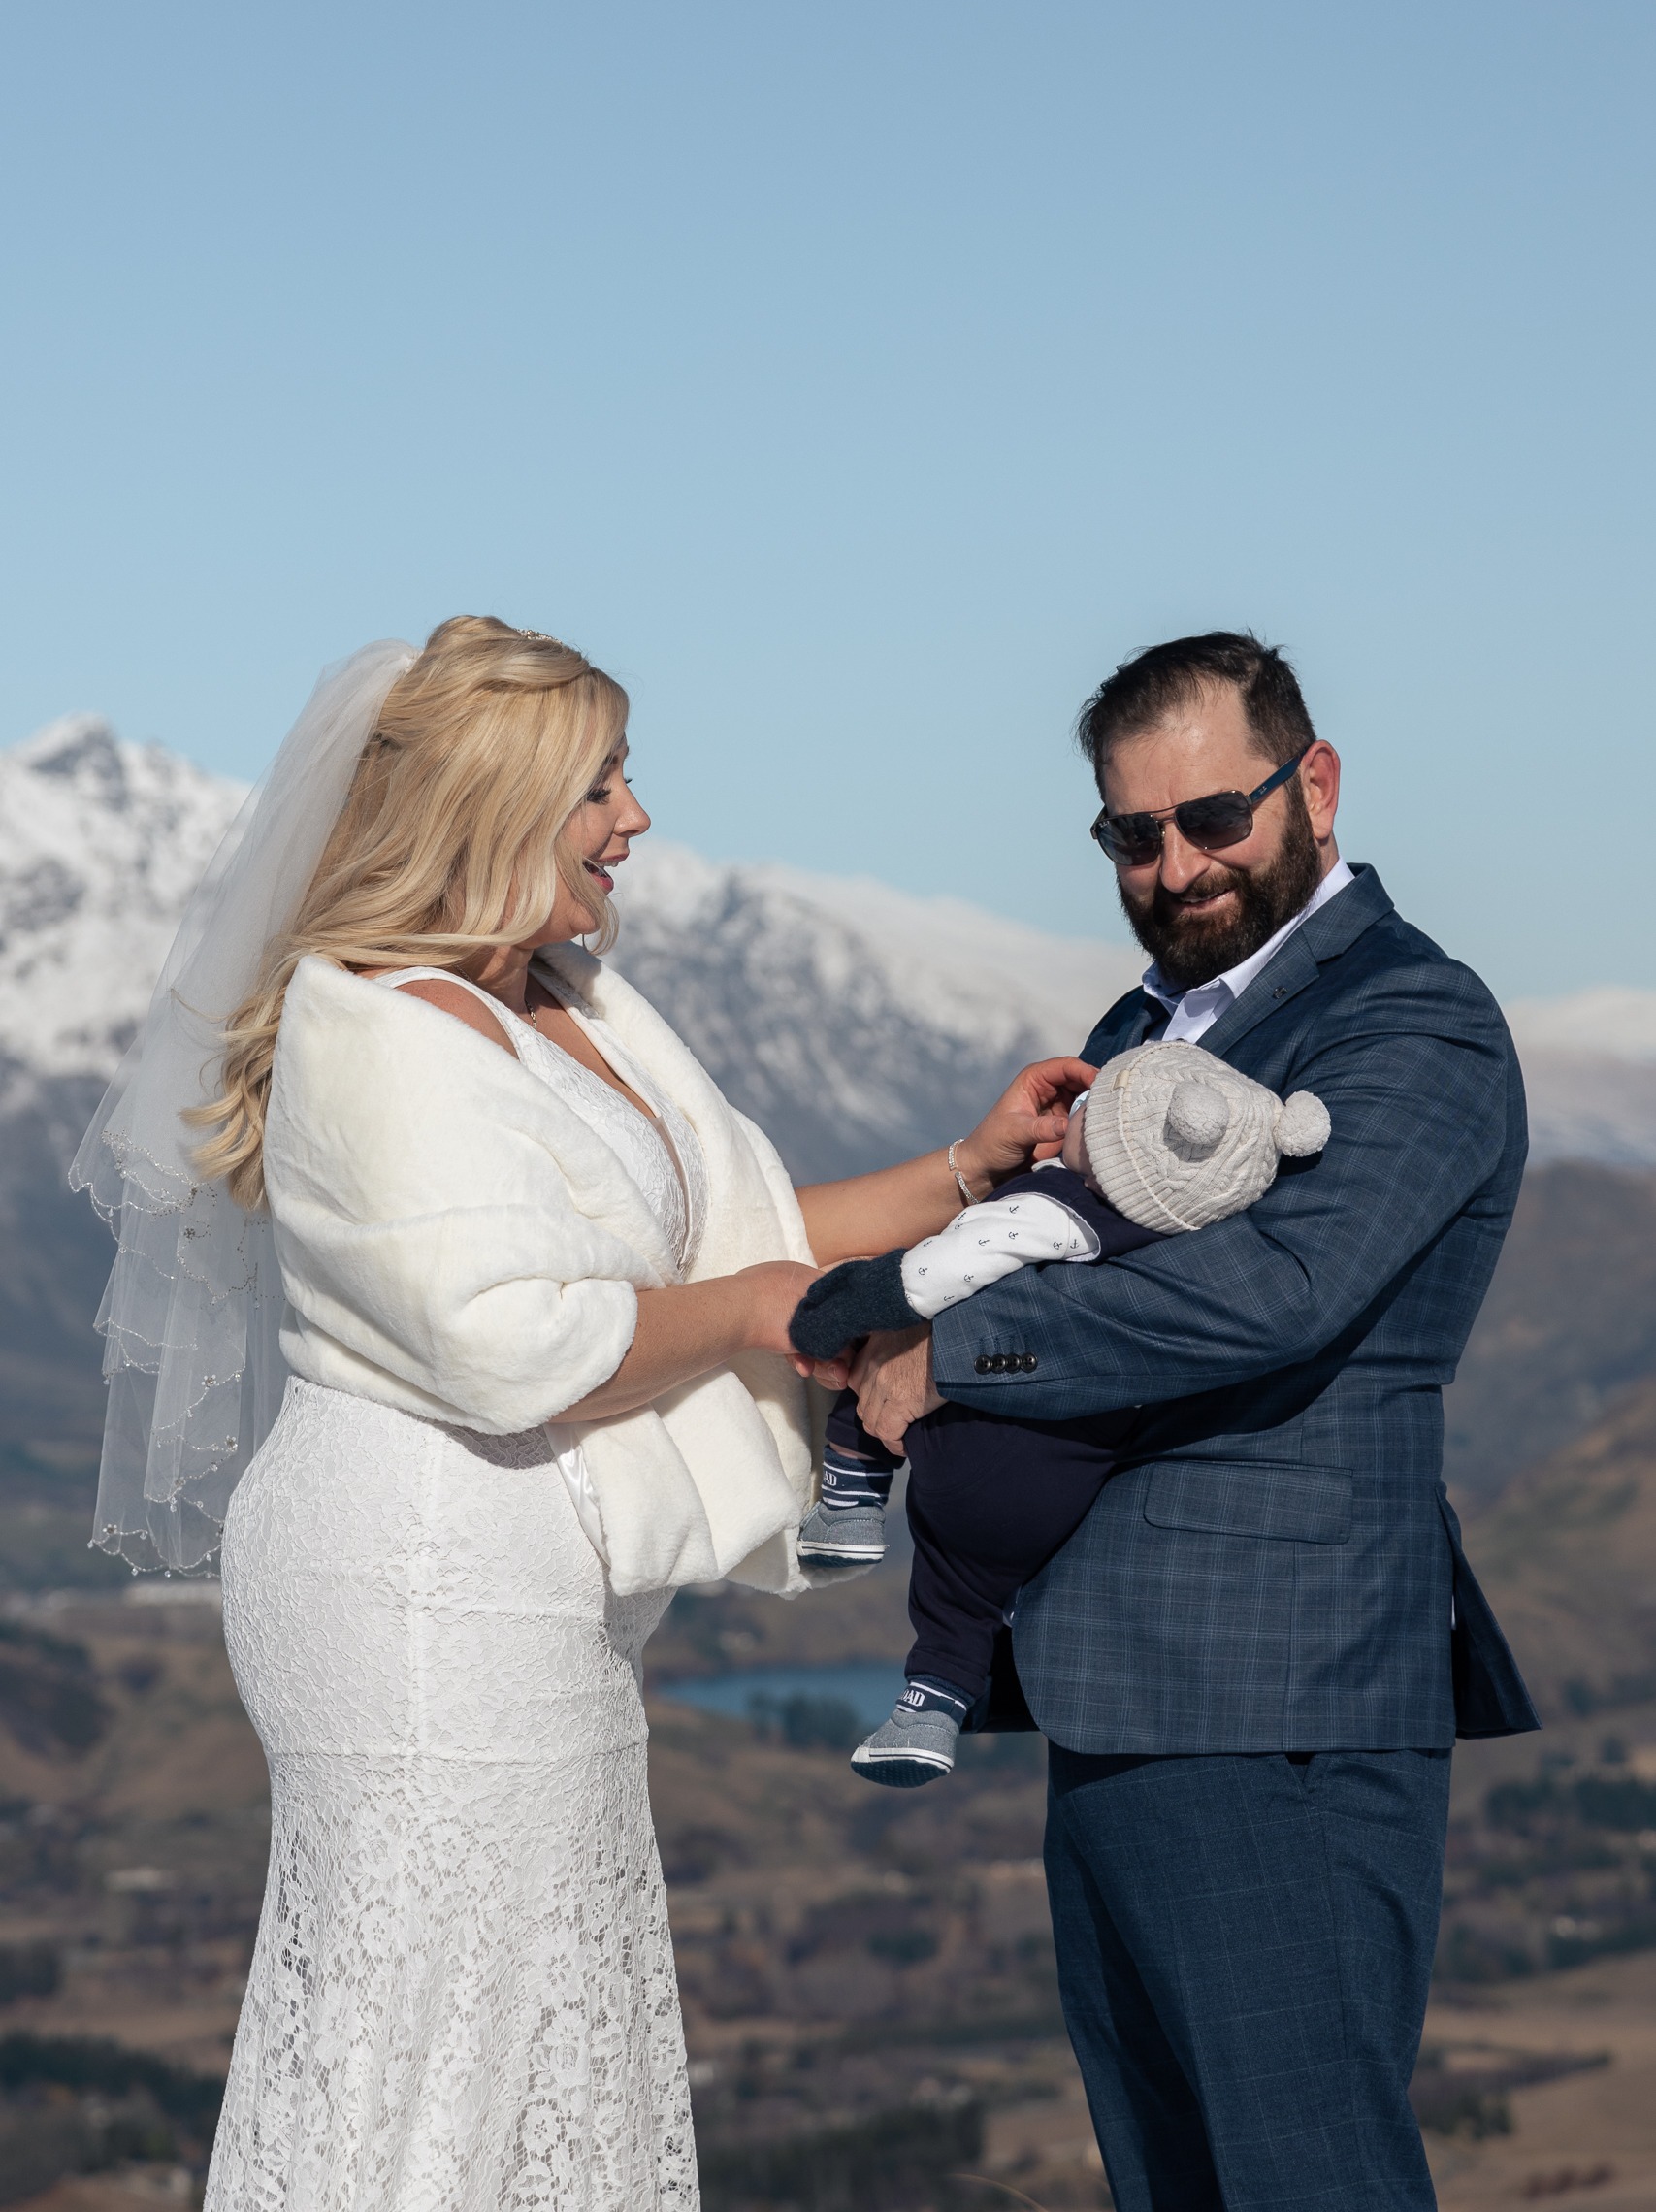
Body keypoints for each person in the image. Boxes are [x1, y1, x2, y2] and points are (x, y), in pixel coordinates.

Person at [72, 615, 1090, 2212]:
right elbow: (507, 1337)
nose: (636, 816)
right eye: (600, 783)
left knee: (543, 2023)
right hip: (416, 1591)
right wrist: (754, 1316)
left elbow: (734, 1241)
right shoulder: (372, 1026)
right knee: (431, 2042)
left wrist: (966, 1170)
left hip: (531, 1594)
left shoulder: (571, 998)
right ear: (496, 804)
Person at [841, 631, 1539, 2212]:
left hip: (1275, 1694)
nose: (1174, 866)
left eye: (1212, 817)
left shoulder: (1409, 1019)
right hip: (1112, 1694)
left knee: (1305, 2178)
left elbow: (1274, 1294)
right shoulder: (1146, 1026)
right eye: (1131, 835)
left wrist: (956, 1358)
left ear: (1314, 786)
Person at [789, 1051, 1331, 1786]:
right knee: (962, 1599)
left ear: (1106, 1154)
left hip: (974, 1432)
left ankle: (849, 1508)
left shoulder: (1056, 1212)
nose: (1074, 1112)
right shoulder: (1175, 1238)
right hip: (1064, 1477)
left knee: (870, 1378)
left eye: (1090, 1112)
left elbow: (940, 1268)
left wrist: (840, 1308)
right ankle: (929, 1709)